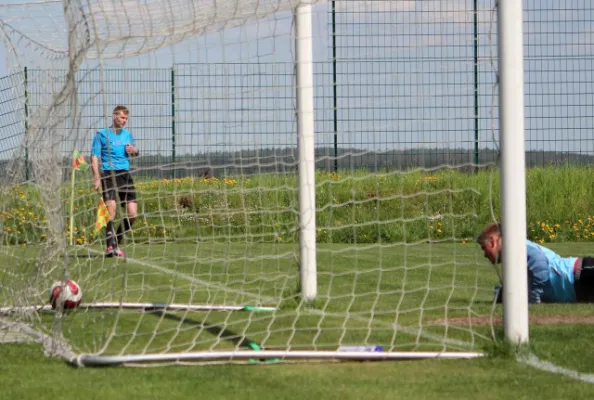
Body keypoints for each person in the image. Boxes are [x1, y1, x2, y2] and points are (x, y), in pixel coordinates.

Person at [477, 222, 594, 303]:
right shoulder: (513, 257)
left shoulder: (516, 245)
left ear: (492, 241)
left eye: (484, 247)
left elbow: (539, 263)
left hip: (580, 274)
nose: (484, 254)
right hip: (580, 289)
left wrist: (534, 295)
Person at [91, 105, 139, 257]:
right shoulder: (101, 134)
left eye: (126, 118)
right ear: (114, 117)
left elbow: (135, 153)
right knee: (111, 208)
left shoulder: (128, 135)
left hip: (124, 175)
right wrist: (97, 177)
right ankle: (109, 247)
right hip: (108, 173)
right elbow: (94, 157)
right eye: (122, 117)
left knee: (132, 214)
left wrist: (134, 151)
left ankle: (116, 243)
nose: (125, 121)